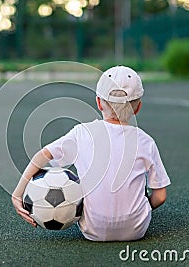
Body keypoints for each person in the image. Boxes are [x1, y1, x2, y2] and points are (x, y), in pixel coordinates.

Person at [12, 65, 171, 241]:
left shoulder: (82, 133)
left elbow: (43, 155)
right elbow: (160, 196)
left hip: (93, 230)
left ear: (98, 102)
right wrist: (142, 207)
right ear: (137, 107)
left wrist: (17, 194)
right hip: (136, 230)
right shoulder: (146, 142)